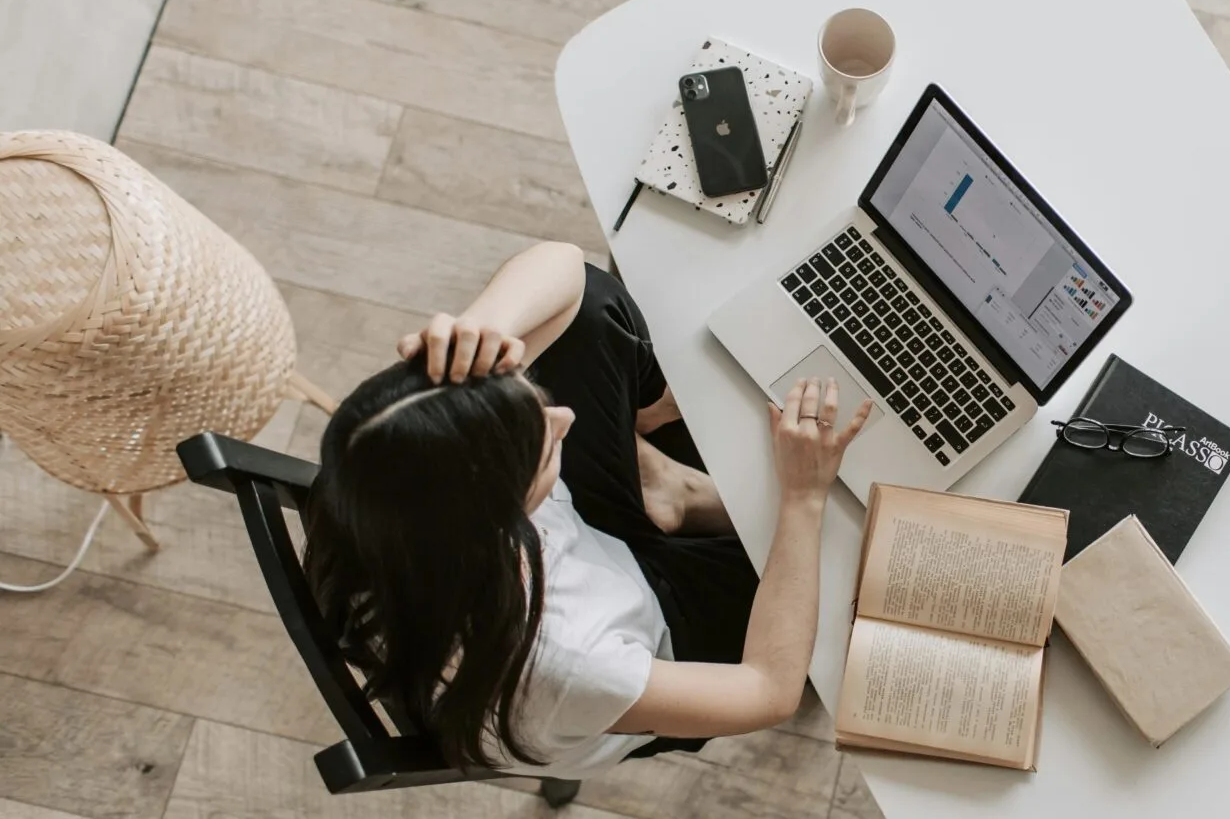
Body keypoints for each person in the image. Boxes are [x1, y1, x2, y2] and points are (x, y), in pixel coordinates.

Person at [301, 241, 871, 779]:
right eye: (541, 442)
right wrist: (802, 495)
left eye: (532, 403)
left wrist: (484, 328)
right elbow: (767, 690)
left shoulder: (377, 476)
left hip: (579, 556)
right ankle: (677, 493)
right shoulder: (572, 664)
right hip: (655, 634)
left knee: (594, 309)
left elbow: (568, 271)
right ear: (503, 518)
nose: (563, 420)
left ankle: (667, 490)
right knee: (849, 566)